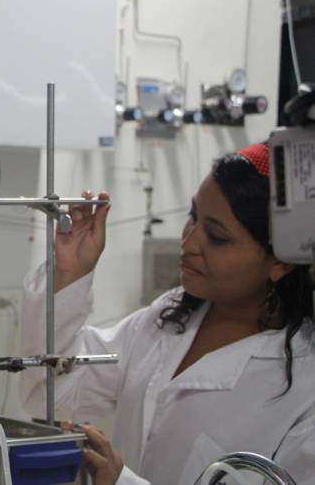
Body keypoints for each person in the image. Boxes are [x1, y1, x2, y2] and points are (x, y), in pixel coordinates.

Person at [19, 144, 315, 485]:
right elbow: (48, 395)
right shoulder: (169, 318)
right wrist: (69, 274)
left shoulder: (304, 389)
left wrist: (121, 481)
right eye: (193, 216)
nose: (188, 242)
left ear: (281, 262)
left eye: (217, 237)